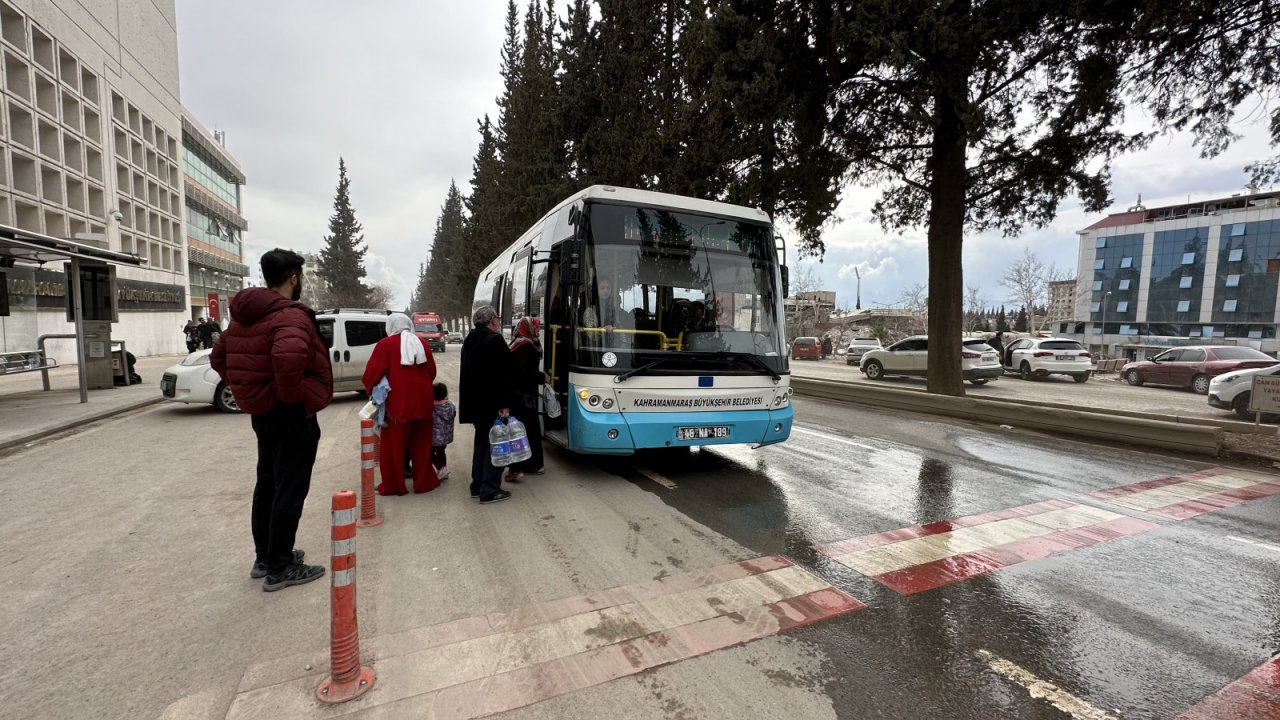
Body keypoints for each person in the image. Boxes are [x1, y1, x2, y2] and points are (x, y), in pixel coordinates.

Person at [211, 248, 330, 592]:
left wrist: (251, 388)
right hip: (289, 414)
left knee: (268, 482)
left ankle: (265, 556)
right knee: (290, 487)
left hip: (263, 414)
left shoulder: (245, 316)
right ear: (293, 277)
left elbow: (220, 358)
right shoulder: (288, 316)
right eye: (301, 277)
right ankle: (280, 567)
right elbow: (289, 360)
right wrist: (293, 398)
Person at [362, 313, 439, 496]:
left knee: (393, 448)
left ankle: (395, 485)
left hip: (398, 404)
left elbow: (371, 374)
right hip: (423, 402)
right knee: (422, 446)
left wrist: (372, 390)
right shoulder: (422, 343)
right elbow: (432, 372)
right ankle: (424, 483)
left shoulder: (385, 345)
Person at [459, 305, 516, 504]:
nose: (499, 322)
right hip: (493, 405)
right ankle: (490, 490)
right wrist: (504, 404)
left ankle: (477, 486)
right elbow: (503, 376)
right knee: (496, 446)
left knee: (481, 445)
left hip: (476, 405)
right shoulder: (495, 340)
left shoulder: (471, 339)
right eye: (498, 319)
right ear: (492, 320)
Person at [507, 317, 548, 481]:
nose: (538, 330)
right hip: (524, 395)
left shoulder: (522, 343)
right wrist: (541, 376)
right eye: (536, 327)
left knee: (524, 431)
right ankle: (531, 465)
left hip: (522, 395)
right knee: (528, 431)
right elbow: (524, 373)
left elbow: (521, 372)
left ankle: (525, 466)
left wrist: (539, 376)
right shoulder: (526, 344)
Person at [431, 382, 456, 480]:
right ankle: (443, 469)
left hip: (435, 437)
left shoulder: (432, 406)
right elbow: (453, 414)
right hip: (446, 436)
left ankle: (441, 468)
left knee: (429, 452)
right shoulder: (450, 405)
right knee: (441, 452)